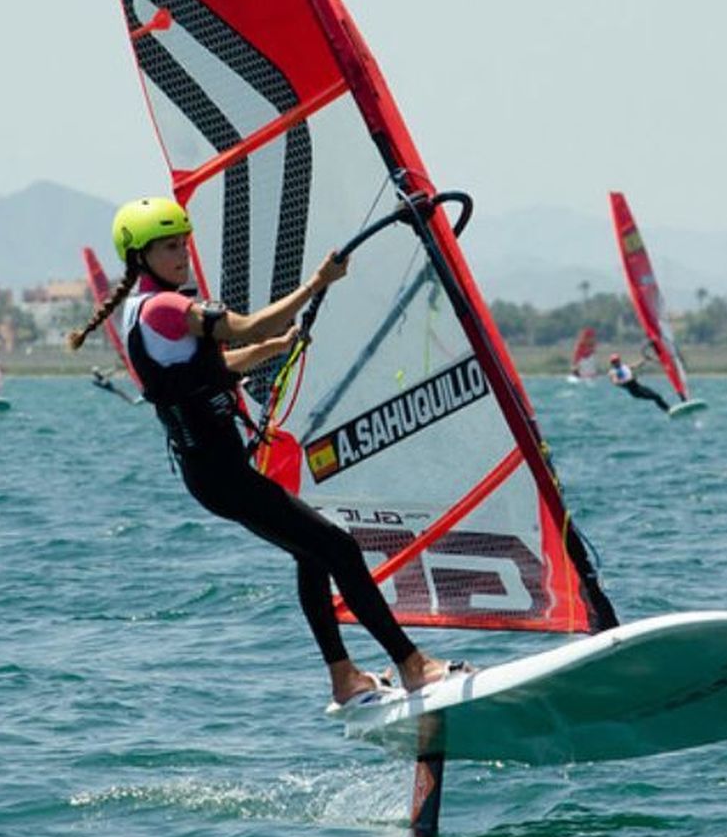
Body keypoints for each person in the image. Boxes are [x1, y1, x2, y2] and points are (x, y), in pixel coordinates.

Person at [66, 197, 467, 706]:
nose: (181, 255)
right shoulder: (167, 307)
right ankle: (414, 666)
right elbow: (249, 326)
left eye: (182, 243)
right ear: (138, 257)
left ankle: (345, 679)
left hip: (213, 473)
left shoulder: (142, 311)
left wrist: (276, 349)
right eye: (168, 247)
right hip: (221, 475)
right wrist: (318, 282)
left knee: (313, 553)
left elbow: (217, 364)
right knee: (339, 547)